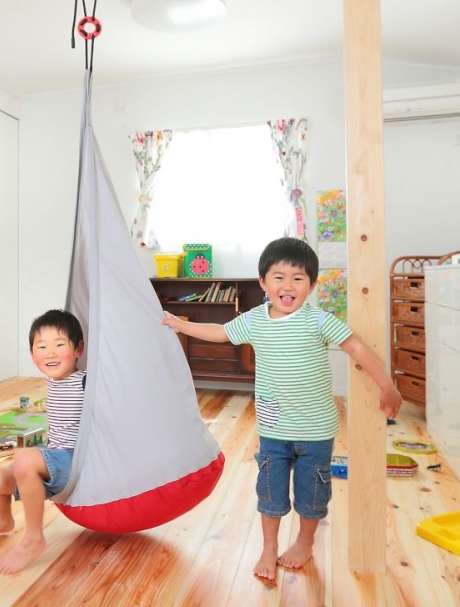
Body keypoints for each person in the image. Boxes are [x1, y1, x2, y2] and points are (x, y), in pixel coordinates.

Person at [162, 237, 401, 586]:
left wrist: (387, 384)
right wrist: (181, 325)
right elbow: (220, 332)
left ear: (312, 285)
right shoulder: (255, 320)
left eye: (298, 278)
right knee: (270, 494)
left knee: (312, 495)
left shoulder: (319, 320)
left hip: (316, 431)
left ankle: (305, 542)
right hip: (274, 430)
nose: (287, 286)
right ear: (263, 282)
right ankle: (269, 546)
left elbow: (357, 348)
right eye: (279, 276)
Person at [0, 308, 85, 575]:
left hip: (74, 459)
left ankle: (33, 538)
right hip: (53, 454)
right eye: (41, 346)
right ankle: (3, 520)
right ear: (33, 356)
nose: (50, 353)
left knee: (23, 456)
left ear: (78, 349)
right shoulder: (52, 379)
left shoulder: (85, 381)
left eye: (59, 344)